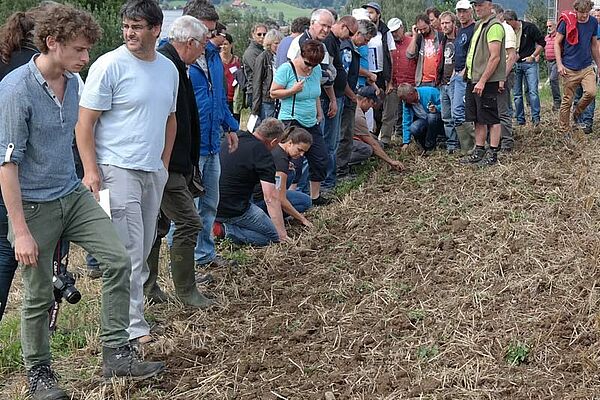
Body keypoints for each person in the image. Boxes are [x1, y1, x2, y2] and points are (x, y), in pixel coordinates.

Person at [0, 4, 165, 399]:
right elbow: (6, 166)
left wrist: (88, 175)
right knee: (39, 293)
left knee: (117, 259)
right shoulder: (15, 91)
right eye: (78, 50)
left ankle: (115, 353)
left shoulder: (73, 81)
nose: (86, 58)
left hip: (71, 193)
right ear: (51, 43)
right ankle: (39, 374)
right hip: (35, 204)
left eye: (88, 50)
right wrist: (19, 230)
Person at [76, 0, 178, 344]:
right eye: (125, 27)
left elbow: (170, 118)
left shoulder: (168, 69)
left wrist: (164, 164)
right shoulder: (109, 66)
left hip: (152, 170)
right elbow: (84, 123)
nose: (129, 33)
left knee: (146, 245)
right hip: (116, 169)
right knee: (129, 250)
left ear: (155, 29)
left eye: (136, 26)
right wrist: (92, 171)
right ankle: (131, 329)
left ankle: (132, 316)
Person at [144, 16, 214, 308]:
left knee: (157, 226)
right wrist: (169, 163)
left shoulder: (175, 65)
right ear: (190, 43)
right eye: (203, 45)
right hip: (166, 163)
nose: (204, 51)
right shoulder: (166, 66)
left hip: (175, 163)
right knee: (188, 222)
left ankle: (149, 288)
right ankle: (186, 291)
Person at [185, 3, 240, 270]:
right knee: (186, 210)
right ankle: (183, 265)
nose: (209, 37)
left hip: (211, 140)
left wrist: (230, 126)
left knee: (209, 203)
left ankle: (204, 254)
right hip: (189, 145)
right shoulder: (171, 58)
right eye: (204, 31)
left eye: (211, 31)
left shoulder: (212, 55)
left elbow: (218, 97)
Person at [0, 10, 37, 322]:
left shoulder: (2, 60)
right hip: (25, 170)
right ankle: (41, 318)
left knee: (2, 248)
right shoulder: (35, 68)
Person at [271, 39, 330, 206]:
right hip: (292, 120)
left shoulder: (316, 70)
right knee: (294, 160)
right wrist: (292, 90)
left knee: (320, 157)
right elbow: (273, 92)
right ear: (301, 55)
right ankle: (290, 197)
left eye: (314, 64)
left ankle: (315, 196)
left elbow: (316, 92)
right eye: (307, 63)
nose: (309, 67)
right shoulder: (286, 69)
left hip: (312, 120)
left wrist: (319, 112)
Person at [215, 118, 288, 246]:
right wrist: (282, 234)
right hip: (235, 210)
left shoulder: (236, 137)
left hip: (212, 203)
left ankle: (217, 224)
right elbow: (270, 198)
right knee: (272, 237)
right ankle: (224, 231)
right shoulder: (263, 154)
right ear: (274, 141)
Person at [462, 0, 505, 166]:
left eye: (480, 5)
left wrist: (482, 81)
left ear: (490, 5)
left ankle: (493, 153)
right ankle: (479, 150)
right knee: (477, 118)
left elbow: (495, 57)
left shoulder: (494, 26)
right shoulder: (480, 25)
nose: (477, 8)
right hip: (474, 79)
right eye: (475, 5)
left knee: (491, 117)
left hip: (486, 80)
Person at [321, 15, 358, 191]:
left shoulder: (335, 41)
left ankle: (329, 179)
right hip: (331, 97)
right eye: (350, 33)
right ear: (343, 26)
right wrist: (333, 99)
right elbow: (327, 73)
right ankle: (327, 181)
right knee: (330, 142)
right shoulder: (329, 41)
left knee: (333, 141)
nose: (349, 38)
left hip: (337, 95)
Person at [337, 18, 377, 180]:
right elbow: (343, 78)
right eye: (365, 40)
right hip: (345, 98)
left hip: (347, 96)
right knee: (343, 136)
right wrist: (352, 96)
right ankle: (340, 171)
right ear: (358, 33)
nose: (365, 44)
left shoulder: (351, 48)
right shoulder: (347, 50)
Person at [555, 0, 600, 134]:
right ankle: (564, 130)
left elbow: (594, 45)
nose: (584, 15)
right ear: (576, 11)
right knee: (567, 101)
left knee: (591, 93)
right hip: (569, 67)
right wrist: (559, 64)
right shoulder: (566, 22)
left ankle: (577, 112)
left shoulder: (593, 22)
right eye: (581, 12)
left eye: (587, 12)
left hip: (586, 66)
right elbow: (557, 43)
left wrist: (598, 64)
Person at [255, 126, 314, 227]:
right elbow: (280, 199)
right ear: (290, 143)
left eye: (304, 152)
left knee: (291, 173)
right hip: (259, 200)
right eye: (299, 150)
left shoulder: (277, 148)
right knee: (306, 202)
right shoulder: (281, 162)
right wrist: (302, 218)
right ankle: (268, 217)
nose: (301, 154)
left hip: (256, 193)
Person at [379, 17, 416, 149]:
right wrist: (388, 82)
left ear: (402, 28)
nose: (394, 34)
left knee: (412, 113)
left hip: (410, 83)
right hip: (394, 83)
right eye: (392, 32)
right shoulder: (389, 44)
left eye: (396, 31)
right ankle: (385, 140)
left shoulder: (412, 42)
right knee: (389, 113)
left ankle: (412, 139)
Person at [503, 10, 545, 126]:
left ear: (513, 20)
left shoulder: (529, 28)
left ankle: (535, 118)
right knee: (517, 94)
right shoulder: (508, 32)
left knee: (532, 91)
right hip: (515, 63)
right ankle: (520, 119)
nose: (506, 25)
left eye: (508, 22)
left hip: (528, 62)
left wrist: (533, 56)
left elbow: (542, 42)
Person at [362, 2, 396, 135]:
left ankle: (379, 134)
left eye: (371, 12)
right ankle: (368, 132)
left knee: (378, 104)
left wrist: (390, 80)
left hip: (380, 73)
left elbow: (391, 56)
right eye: (367, 13)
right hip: (365, 72)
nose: (369, 15)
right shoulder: (362, 30)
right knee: (366, 103)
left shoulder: (385, 32)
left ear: (378, 14)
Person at [352, 86, 405, 170]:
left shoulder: (354, 106)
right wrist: (390, 161)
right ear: (365, 100)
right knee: (367, 149)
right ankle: (343, 164)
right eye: (371, 103)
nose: (371, 106)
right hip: (343, 142)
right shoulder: (358, 116)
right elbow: (372, 143)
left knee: (379, 143)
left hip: (350, 137)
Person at [491, 4, 518, 152]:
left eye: (494, 14)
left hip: (504, 74)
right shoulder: (493, 29)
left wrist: (502, 78)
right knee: (494, 109)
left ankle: (507, 142)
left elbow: (512, 57)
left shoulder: (506, 29)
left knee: (502, 109)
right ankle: (498, 139)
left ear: (500, 15)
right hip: (494, 75)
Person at [453, 0, 477, 154]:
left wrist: (465, 71)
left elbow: (474, 52)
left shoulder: (474, 28)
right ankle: (466, 148)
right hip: (457, 74)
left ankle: (480, 144)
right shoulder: (461, 30)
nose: (461, 14)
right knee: (457, 113)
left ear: (471, 11)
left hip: (467, 76)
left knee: (459, 111)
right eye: (459, 12)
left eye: (464, 11)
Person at [436, 11, 460, 154]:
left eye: (447, 23)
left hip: (455, 82)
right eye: (442, 23)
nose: (444, 26)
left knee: (457, 115)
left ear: (453, 23)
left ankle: (463, 143)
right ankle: (451, 145)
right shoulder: (443, 40)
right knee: (446, 117)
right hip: (443, 83)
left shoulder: (459, 39)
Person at [397, 83, 443, 154]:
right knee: (414, 127)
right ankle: (423, 146)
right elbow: (406, 121)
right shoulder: (406, 103)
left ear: (411, 94)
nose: (404, 101)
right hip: (423, 121)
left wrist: (436, 108)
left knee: (431, 117)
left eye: (405, 99)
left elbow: (446, 105)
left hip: (438, 119)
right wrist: (406, 142)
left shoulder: (431, 92)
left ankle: (430, 146)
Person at [252, 29, 284, 121]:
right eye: (276, 43)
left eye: (280, 43)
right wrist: (256, 107)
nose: (279, 46)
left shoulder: (282, 58)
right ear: (269, 44)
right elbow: (257, 82)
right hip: (267, 100)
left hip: (280, 99)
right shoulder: (262, 58)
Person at [407, 13, 443, 87]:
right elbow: (410, 55)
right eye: (420, 29)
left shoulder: (440, 36)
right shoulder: (419, 38)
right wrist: (414, 36)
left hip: (438, 81)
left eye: (424, 28)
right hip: (423, 81)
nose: (423, 31)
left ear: (429, 24)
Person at [243, 23, 268, 105]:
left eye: (264, 34)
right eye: (259, 34)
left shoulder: (263, 50)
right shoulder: (251, 52)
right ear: (253, 35)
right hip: (254, 92)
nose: (262, 37)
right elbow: (260, 71)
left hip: (262, 91)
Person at [221, 33, 241, 121]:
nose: (223, 46)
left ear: (231, 45)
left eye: (225, 44)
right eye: (221, 44)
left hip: (235, 98)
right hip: (222, 97)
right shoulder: (216, 60)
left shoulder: (237, 61)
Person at [545, 20, 561, 111]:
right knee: (552, 82)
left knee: (553, 79)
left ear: (555, 26)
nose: (548, 28)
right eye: (547, 26)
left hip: (556, 61)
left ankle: (557, 101)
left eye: (550, 26)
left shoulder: (558, 37)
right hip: (548, 62)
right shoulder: (547, 37)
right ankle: (556, 101)